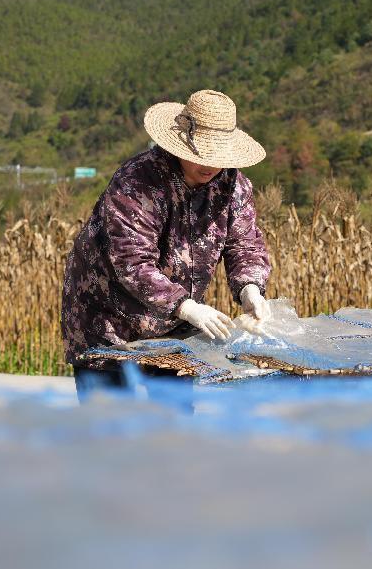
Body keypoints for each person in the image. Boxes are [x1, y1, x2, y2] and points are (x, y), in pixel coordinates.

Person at [61, 89, 272, 382]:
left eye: (218, 156)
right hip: (109, 323)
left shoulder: (233, 186)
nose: (209, 165)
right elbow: (132, 262)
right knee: (112, 423)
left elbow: (244, 244)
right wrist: (185, 307)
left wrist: (251, 288)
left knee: (174, 422)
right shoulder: (137, 182)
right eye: (201, 154)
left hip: (177, 332)